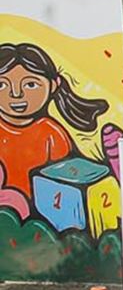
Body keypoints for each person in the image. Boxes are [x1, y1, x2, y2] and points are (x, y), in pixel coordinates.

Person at [0, 42, 108, 218]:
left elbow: (64, 181)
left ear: (53, 85)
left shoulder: (51, 133)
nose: (16, 94)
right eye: (2, 85)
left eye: (30, 84)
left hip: (43, 215)